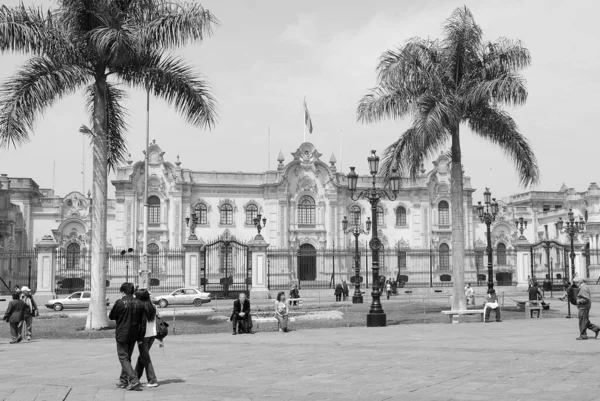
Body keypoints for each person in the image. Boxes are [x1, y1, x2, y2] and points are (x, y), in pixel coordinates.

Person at [109, 282, 145, 391]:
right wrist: (141, 336)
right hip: (134, 334)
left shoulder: (120, 303)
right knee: (127, 357)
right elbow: (142, 322)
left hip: (122, 333)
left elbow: (111, 316)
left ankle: (134, 380)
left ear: (123, 291)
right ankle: (123, 380)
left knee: (123, 358)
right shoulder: (139, 303)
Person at [134, 289, 159, 387]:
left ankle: (152, 380)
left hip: (143, 335)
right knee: (143, 357)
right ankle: (135, 377)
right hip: (152, 334)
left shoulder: (140, 307)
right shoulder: (152, 306)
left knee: (145, 357)